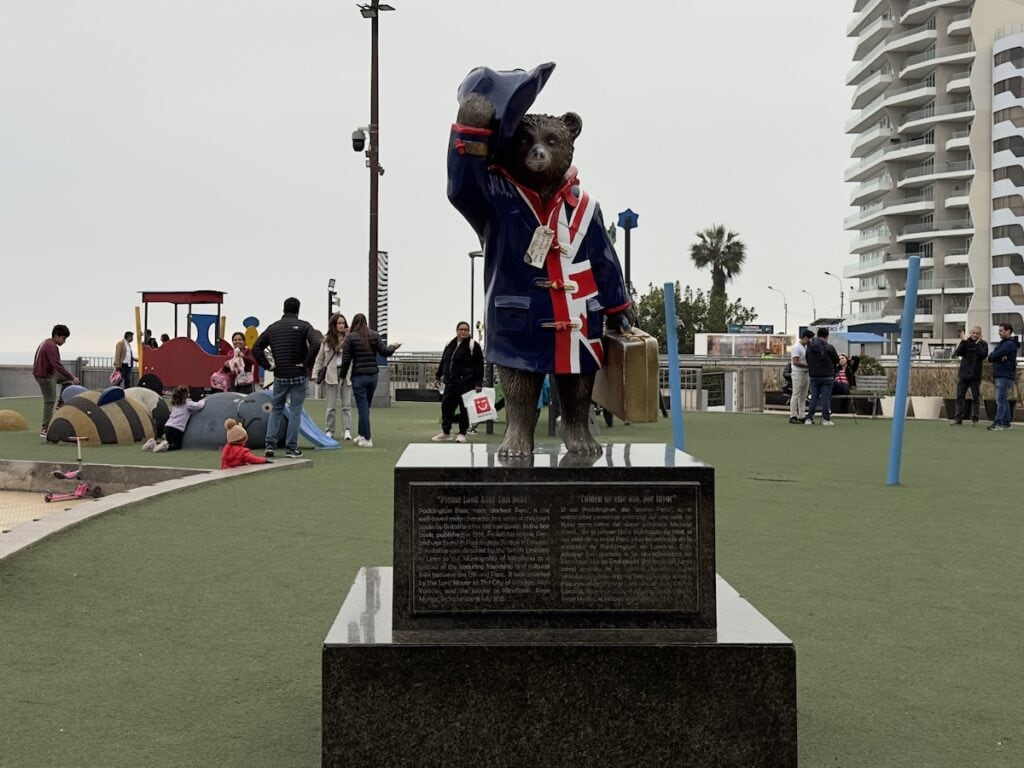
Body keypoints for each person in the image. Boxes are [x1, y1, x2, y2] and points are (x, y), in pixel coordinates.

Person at [252, 297, 320, 458]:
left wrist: (268, 365)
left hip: (280, 374)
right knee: (296, 411)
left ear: (283, 309)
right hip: (298, 375)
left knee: (276, 409)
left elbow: (256, 348)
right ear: (298, 310)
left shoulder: (273, 328)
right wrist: (306, 364)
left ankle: (270, 445)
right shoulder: (304, 326)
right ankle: (291, 448)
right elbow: (316, 343)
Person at [338, 313, 401, 448]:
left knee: (363, 407)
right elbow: (384, 351)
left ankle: (367, 438)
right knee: (366, 406)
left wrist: (342, 376)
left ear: (354, 323)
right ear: (366, 322)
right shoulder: (374, 335)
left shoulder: (351, 338)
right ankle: (361, 434)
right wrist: (394, 347)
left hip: (358, 376)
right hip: (373, 375)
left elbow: (346, 359)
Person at [432, 321, 484, 443]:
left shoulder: (473, 345)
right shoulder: (450, 344)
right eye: (461, 329)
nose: (463, 331)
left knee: (464, 408)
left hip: (466, 383)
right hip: (450, 382)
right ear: (457, 330)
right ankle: (446, 432)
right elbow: (444, 361)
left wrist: (478, 382)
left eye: (466, 329)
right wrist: (438, 376)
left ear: (469, 331)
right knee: (446, 407)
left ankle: (462, 433)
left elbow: (479, 365)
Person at [33, 324, 80, 438]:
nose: (64, 341)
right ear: (56, 336)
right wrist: (72, 377)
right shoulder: (51, 346)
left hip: (48, 373)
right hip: (44, 376)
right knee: (49, 401)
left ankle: (60, 404)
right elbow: (57, 365)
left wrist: (69, 378)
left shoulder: (46, 342)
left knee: (67, 382)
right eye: (63, 338)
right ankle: (45, 428)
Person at [313, 313, 354, 441]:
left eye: (343, 323)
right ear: (334, 325)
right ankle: (330, 430)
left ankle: (347, 430)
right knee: (331, 406)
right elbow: (320, 359)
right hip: (331, 373)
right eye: (339, 323)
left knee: (346, 404)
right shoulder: (326, 340)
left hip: (345, 373)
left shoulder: (350, 339)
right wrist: (315, 373)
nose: (341, 326)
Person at [145, 386, 204, 452]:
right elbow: (200, 405)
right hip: (177, 429)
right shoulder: (187, 403)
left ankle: (153, 443)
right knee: (176, 446)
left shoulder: (175, 403)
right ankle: (165, 447)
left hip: (168, 427)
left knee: (169, 442)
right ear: (186, 395)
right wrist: (203, 400)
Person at [951, 326, 987, 425]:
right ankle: (958, 418)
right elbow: (957, 353)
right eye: (973, 333)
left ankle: (975, 418)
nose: (975, 335)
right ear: (970, 333)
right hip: (963, 374)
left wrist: (978, 344)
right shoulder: (966, 343)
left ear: (980, 335)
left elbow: (983, 355)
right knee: (960, 396)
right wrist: (963, 341)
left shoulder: (983, 344)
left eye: (977, 333)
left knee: (976, 397)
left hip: (975, 375)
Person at [805, 327, 840, 426]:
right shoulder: (829, 347)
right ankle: (826, 419)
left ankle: (809, 418)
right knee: (825, 398)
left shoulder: (810, 347)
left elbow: (807, 359)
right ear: (827, 336)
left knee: (814, 397)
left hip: (814, 375)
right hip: (827, 375)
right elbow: (836, 360)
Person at [987, 323, 1018, 431]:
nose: (999, 333)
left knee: (1000, 399)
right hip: (1001, 374)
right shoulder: (1002, 343)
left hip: (1004, 374)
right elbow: (991, 357)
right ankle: (1006, 422)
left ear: (1008, 331)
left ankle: (998, 422)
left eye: (1001, 331)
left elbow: (994, 355)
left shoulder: (1009, 344)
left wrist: (997, 357)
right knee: (1003, 399)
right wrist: (998, 357)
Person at [788, 329, 813, 424]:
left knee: (803, 396)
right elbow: (795, 361)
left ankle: (802, 415)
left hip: (806, 373)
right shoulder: (796, 347)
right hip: (798, 373)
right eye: (809, 339)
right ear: (805, 338)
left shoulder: (806, 347)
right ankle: (793, 415)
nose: (810, 341)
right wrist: (808, 365)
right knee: (796, 394)